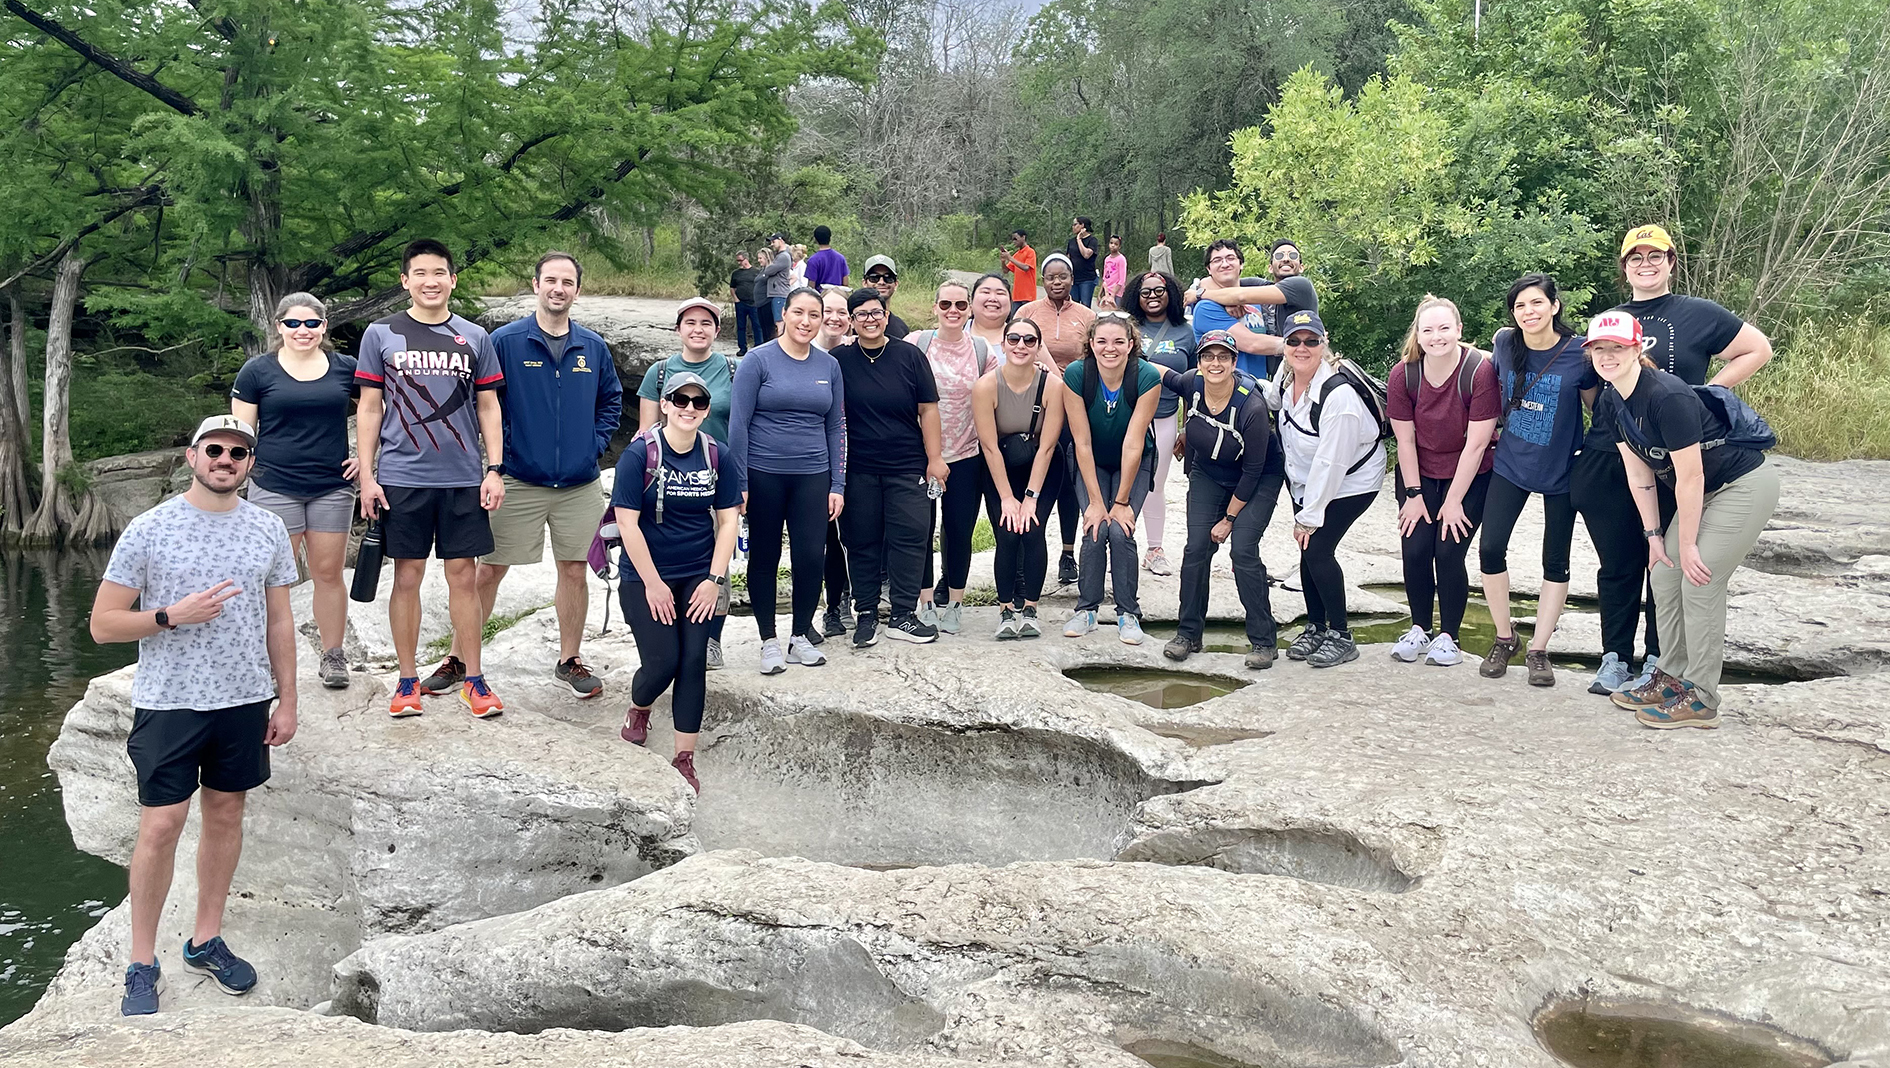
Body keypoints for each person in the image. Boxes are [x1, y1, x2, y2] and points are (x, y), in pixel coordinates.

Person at [89, 414, 300, 1017]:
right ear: (193, 456)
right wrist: (168, 616)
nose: (225, 459)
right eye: (215, 449)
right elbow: (103, 625)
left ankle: (205, 938)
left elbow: (280, 620)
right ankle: (140, 960)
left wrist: (287, 699)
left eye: (239, 451)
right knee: (160, 826)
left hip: (243, 699)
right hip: (170, 701)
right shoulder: (149, 529)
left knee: (227, 813)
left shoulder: (268, 528)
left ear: (250, 464)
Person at [1573, 224, 1774, 696]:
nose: (1645, 263)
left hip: (1696, 467)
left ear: (1671, 262)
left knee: (1684, 570)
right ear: (1623, 268)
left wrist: (1708, 395)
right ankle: (1632, 664)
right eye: (1635, 257)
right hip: (1628, 457)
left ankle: (1678, 676)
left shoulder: (1695, 318)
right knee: (1639, 564)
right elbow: (1596, 395)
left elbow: (1758, 348)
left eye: (1655, 255)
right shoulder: (1609, 334)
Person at [1586, 312, 1781, 730]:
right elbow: (1639, 475)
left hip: (1742, 484)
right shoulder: (1611, 399)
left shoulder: (1666, 396)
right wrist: (1655, 538)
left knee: (1699, 578)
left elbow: (1691, 476)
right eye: (1599, 349)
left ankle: (1703, 697)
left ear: (1638, 349)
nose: (1607, 356)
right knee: (1664, 573)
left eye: (1617, 348)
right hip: (1703, 492)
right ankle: (1669, 677)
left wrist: (1689, 544)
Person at [356, 239, 508, 717]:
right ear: (405, 281)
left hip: (463, 476)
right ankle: (406, 682)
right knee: (408, 575)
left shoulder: (475, 337)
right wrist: (367, 476)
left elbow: (488, 405)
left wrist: (494, 468)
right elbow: (369, 407)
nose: (430, 281)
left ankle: (474, 679)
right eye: (419, 273)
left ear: (452, 279)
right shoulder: (381, 334)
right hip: (402, 476)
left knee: (463, 576)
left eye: (439, 272)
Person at [478, 252, 622, 698]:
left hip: (578, 484)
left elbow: (611, 403)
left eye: (568, 282)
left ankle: (570, 658)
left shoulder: (593, 347)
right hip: (518, 477)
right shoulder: (504, 341)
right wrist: (498, 460)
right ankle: (464, 658)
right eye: (550, 280)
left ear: (577, 289)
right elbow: (485, 404)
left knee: (575, 570)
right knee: (490, 569)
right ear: (535, 284)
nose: (558, 288)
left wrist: (592, 448)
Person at [612, 372, 741, 792]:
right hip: (645, 575)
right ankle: (640, 706)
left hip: (697, 574)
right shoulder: (639, 456)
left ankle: (685, 756)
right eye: (679, 400)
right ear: (664, 404)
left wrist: (713, 580)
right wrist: (652, 583)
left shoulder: (717, 454)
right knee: (662, 662)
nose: (689, 408)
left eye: (698, 402)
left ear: (707, 409)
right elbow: (627, 524)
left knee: (692, 661)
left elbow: (727, 522)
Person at [1476, 273, 1598, 686]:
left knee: (1556, 560)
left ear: (1555, 306)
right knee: (1491, 548)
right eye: (1520, 306)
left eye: (1536, 303)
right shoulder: (1505, 343)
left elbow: (1599, 410)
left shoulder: (1580, 353)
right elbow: (1486, 380)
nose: (1529, 312)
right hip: (1511, 463)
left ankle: (1540, 649)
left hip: (1562, 469)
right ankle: (1505, 637)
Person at [230, 293, 356, 690]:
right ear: (279, 327)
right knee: (273, 578)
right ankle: (266, 663)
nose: (303, 331)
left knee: (328, 574)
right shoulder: (257, 371)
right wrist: (232, 485)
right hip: (274, 485)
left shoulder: (346, 369)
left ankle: (333, 656)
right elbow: (240, 436)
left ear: (324, 326)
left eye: (312, 324)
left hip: (332, 486)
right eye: (294, 324)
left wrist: (370, 461)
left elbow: (380, 415)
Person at [728, 286, 844, 672]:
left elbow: (835, 427)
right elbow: (738, 423)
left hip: (813, 475)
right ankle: (768, 641)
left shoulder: (828, 366)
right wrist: (739, 480)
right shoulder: (758, 361)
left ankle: (798, 635)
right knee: (764, 556)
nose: (806, 321)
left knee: (811, 556)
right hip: (764, 474)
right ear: (785, 315)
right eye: (798, 313)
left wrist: (837, 483)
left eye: (814, 315)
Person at [1385, 296, 1500, 668]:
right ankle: (1419, 628)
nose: (1437, 337)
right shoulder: (1403, 374)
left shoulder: (1479, 370)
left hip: (1469, 473)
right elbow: (1404, 439)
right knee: (1415, 548)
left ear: (1459, 330)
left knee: (1449, 551)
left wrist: (1453, 501)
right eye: (1428, 330)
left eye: (1444, 328)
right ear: (1417, 334)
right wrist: (1414, 494)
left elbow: (1478, 442)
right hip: (1418, 470)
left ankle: (1449, 635)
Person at [1159, 331, 1283, 670]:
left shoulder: (1251, 407)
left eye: (1223, 357)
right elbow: (1158, 371)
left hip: (1257, 478)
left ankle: (1263, 641)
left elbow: (1254, 469)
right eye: (1208, 357)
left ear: (1234, 362)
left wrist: (1229, 519)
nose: (1215, 363)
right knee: (1196, 548)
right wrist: (1118, 356)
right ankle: (1188, 634)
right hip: (1209, 473)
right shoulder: (1191, 383)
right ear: (1198, 362)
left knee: (1242, 549)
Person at [832, 287, 944, 645]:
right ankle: (866, 614)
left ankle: (902, 615)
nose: (870, 319)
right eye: (861, 314)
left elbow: (928, 410)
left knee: (910, 539)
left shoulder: (909, 356)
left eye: (876, 313)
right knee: (861, 541)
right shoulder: (838, 360)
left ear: (886, 316)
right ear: (851, 321)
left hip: (908, 465)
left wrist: (936, 459)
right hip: (858, 468)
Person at [1276, 311, 1385, 668]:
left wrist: (1310, 515)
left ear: (1324, 344)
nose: (1302, 348)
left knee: (1318, 549)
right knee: (1307, 552)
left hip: (1351, 481)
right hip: (1306, 481)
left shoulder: (1339, 398)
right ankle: (1316, 626)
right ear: (1285, 345)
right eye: (1294, 341)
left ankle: (1340, 634)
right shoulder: (1286, 378)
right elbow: (1276, 406)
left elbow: (1332, 463)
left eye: (1311, 341)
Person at [637, 296, 737, 668]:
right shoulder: (659, 373)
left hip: (716, 475)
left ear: (716, 330)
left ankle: (711, 638)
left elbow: (740, 427)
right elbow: (645, 431)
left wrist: (741, 481)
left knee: (717, 559)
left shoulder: (731, 369)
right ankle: (669, 633)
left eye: (706, 323)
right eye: (690, 322)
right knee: (669, 554)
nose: (698, 329)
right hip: (668, 478)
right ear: (679, 328)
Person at [1062, 313, 1162, 644]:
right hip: (1091, 458)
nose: (1110, 348)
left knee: (1120, 530)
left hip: (1133, 459)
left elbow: (1134, 443)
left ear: (1131, 344)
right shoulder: (1077, 374)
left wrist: (1121, 503)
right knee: (1094, 526)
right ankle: (1087, 609)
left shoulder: (1146, 375)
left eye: (1119, 341)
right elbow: (1082, 441)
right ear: (1091, 344)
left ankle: (1127, 612)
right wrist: (1094, 501)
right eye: (1102, 341)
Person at [973, 314, 1068, 639]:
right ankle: (1004, 609)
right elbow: (988, 446)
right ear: (1004, 343)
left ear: (1039, 347)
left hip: (1041, 465)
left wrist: (1030, 498)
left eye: (1029, 340)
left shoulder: (1052, 386)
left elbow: (1047, 446)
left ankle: (1030, 608)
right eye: (1014, 339)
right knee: (1007, 533)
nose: (1021, 346)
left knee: (1032, 530)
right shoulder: (987, 385)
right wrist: (1007, 498)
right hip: (1001, 465)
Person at [909, 280, 994, 633]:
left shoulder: (980, 349)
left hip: (967, 453)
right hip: (921, 455)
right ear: (935, 308)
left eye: (961, 305)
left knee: (959, 531)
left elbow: (994, 395)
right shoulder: (917, 343)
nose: (953, 311)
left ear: (970, 308)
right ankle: (925, 600)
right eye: (946, 305)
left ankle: (956, 602)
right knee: (920, 529)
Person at [1016, 255, 1098, 585]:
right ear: (1043, 280)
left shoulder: (1087, 316)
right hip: (1034, 404)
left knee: (1067, 480)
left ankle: (1067, 552)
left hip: (1075, 404)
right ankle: (1025, 548)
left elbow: (1095, 357)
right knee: (1031, 473)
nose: (1057, 282)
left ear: (1071, 278)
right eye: (1050, 277)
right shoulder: (1027, 312)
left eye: (1063, 276)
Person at [1125, 271, 1194, 578]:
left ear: (1171, 293)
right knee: (1120, 483)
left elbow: (1194, 382)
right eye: (1145, 292)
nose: (1152, 296)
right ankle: (1120, 545)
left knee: (1155, 484)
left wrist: (1186, 426)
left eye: (1159, 290)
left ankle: (1154, 549)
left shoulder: (1185, 332)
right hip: (1125, 417)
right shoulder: (1127, 327)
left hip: (1164, 417)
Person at [1194, 239, 1320, 380]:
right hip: (1234, 389)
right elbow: (1251, 343)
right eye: (1279, 256)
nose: (1286, 259)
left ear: (1241, 264)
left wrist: (1310, 345)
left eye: (1293, 256)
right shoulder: (1207, 307)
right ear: (1270, 267)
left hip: (1301, 373)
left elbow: (1239, 295)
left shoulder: (1300, 286)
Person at [813, 288, 855, 642]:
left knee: (847, 537)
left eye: (843, 311)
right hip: (809, 463)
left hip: (849, 459)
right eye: (828, 310)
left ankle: (843, 601)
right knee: (820, 538)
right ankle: (826, 606)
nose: (835, 318)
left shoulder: (854, 355)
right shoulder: (801, 353)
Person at [861, 255, 912, 339]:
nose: (881, 282)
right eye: (874, 278)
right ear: (864, 283)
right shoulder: (852, 325)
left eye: (888, 278)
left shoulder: (901, 328)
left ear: (896, 284)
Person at [730, 251, 769, 356]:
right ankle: (742, 348)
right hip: (741, 303)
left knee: (757, 325)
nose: (739, 263)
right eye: (737, 260)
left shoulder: (757, 272)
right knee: (741, 326)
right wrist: (736, 299)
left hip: (754, 303)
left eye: (740, 260)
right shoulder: (736, 273)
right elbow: (732, 288)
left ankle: (758, 346)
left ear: (746, 259)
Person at [967, 272, 1013, 351]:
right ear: (971, 300)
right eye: (985, 292)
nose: (993, 298)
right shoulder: (953, 333)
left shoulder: (1027, 340)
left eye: (1000, 293)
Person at [762, 232, 793, 333]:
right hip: (777, 293)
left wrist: (768, 266)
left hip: (780, 293)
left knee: (780, 323)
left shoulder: (783, 257)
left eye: (773, 241)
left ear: (781, 240)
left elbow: (768, 270)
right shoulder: (780, 256)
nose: (771, 244)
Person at [1066, 217, 1100, 306]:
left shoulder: (1092, 240)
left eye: (1075, 224)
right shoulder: (1071, 242)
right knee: (1073, 305)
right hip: (1074, 278)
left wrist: (1079, 239)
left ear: (1082, 225)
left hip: (1087, 279)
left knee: (1085, 305)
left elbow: (1086, 255)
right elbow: (1068, 258)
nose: (1073, 227)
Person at [1001, 231, 1037, 311]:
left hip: (1028, 295)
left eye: (1016, 239)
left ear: (1023, 237)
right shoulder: (1017, 255)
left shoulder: (1030, 252)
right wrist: (1003, 261)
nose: (1014, 241)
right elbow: (1006, 270)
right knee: (1015, 319)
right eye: (1013, 239)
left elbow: (1026, 268)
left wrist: (1010, 258)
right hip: (1017, 296)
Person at [805, 225, 850, 289]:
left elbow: (811, 286)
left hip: (821, 296)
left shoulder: (813, 260)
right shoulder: (840, 258)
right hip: (838, 296)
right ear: (830, 238)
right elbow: (845, 283)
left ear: (815, 240)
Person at [1100, 235, 1128, 310]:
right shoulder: (1107, 259)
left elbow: (1122, 280)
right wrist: (1101, 293)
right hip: (1107, 291)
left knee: (1116, 311)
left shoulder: (1121, 259)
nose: (1113, 246)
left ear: (1119, 246)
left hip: (1117, 293)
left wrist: (1113, 294)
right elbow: (1104, 277)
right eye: (1111, 243)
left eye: (1116, 244)